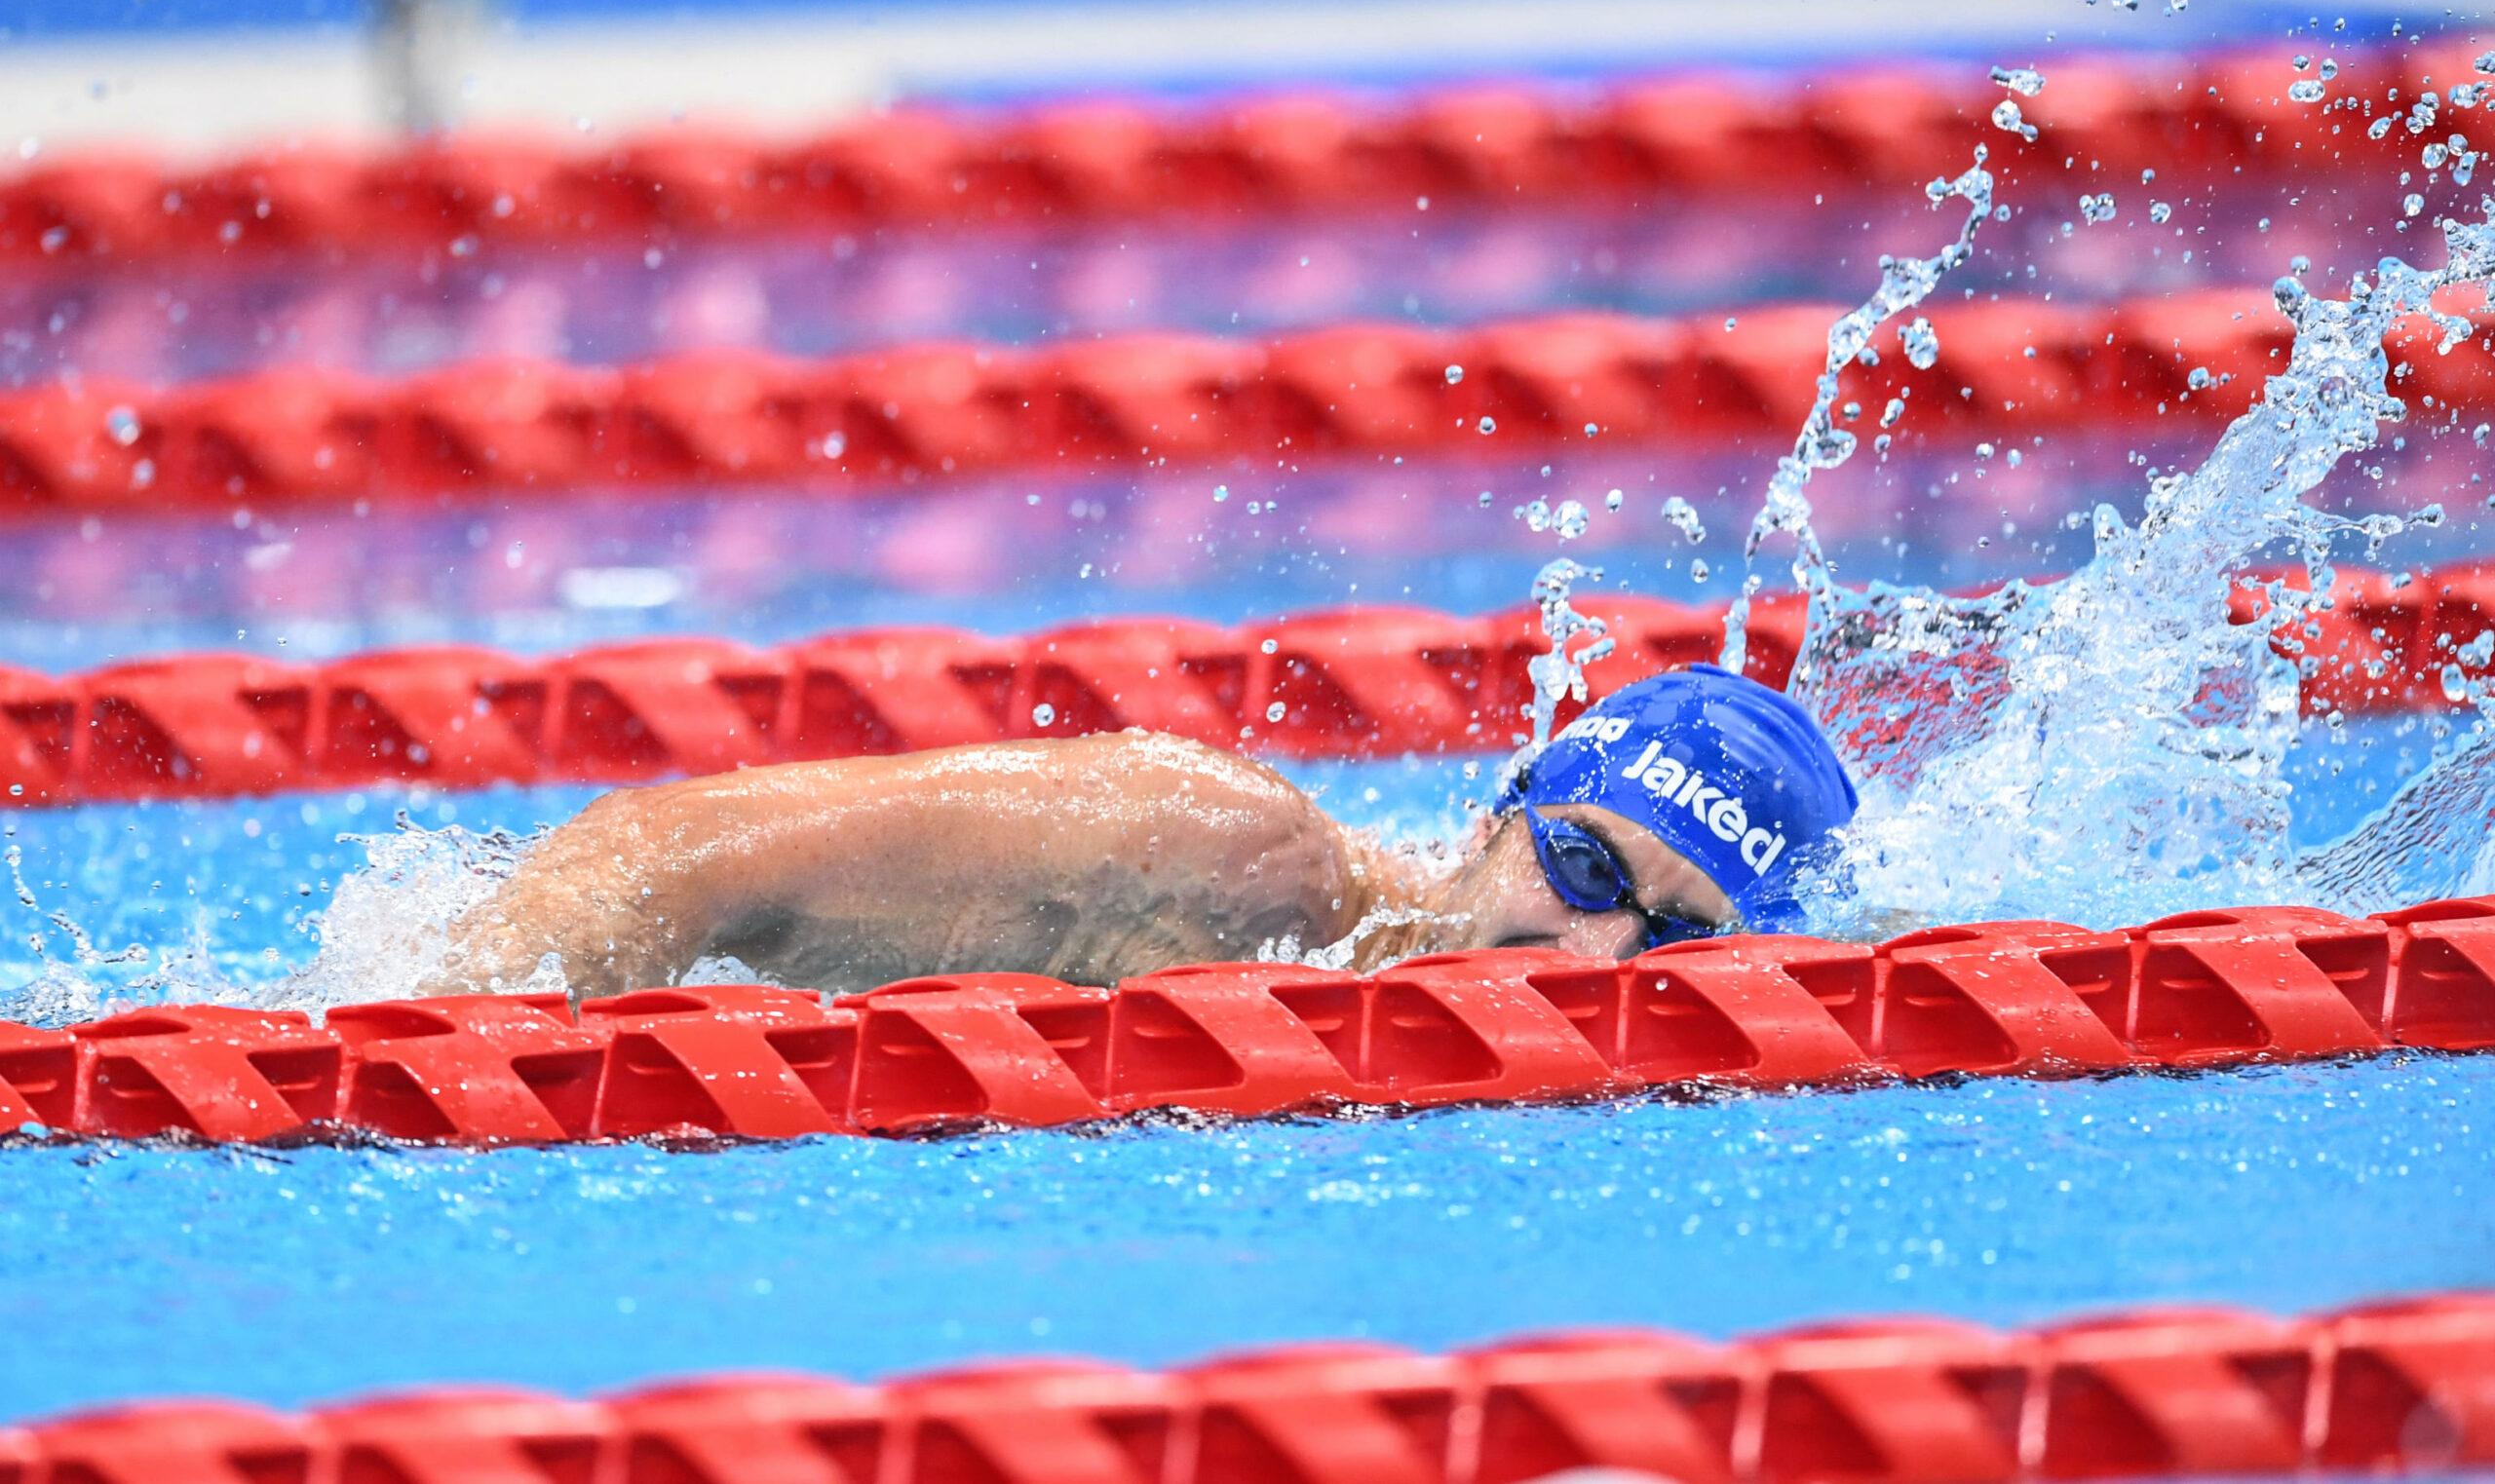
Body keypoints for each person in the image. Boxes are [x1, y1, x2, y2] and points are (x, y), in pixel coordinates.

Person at [440, 664, 1858, 998]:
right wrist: (447, 1045)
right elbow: (655, 854)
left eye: (1672, 932)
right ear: (1504, 819)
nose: (1591, 945)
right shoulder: (1224, 855)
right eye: (1588, 865)